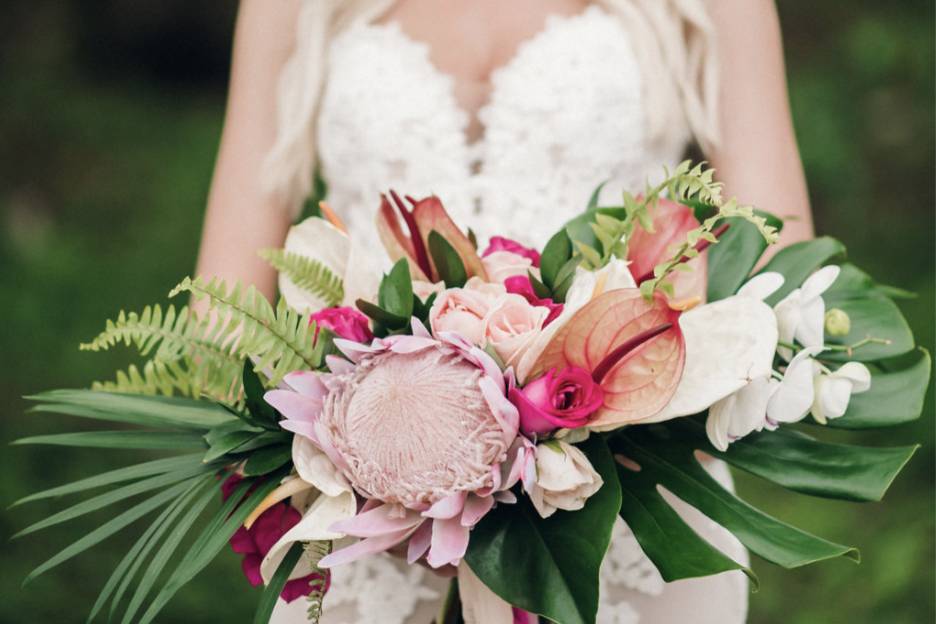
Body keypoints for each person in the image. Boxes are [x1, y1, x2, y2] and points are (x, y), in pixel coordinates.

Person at [195, 1, 814, 622]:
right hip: (367, 521)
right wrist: (335, 457)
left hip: (625, 503)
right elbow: (221, 306)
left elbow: (777, 263)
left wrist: (642, 432)